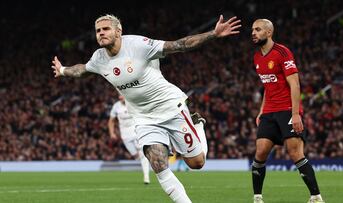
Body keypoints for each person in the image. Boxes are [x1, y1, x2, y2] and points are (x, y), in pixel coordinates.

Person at [52, 14, 241, 203]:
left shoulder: (138, 45)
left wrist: (213, 34)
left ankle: (198, 126)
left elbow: (179, 45)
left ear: (119, 31)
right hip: (144, 118)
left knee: (196, 163)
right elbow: (82, 70)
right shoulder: (99, 58)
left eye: (105, 29)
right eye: (98, 31)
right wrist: (62, 70)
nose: (101, 33)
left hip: (171, 108)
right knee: (158, 164)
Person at [251, 19, 325, 203]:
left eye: (258, 29)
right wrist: (261, 111)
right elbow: (268, 86)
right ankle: (257, 198)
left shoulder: (282, 52)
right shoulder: (257, 57)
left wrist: (295, 113)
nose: (253, 32)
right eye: (252, 30)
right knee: (260, 152)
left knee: (294, 153)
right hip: (269, 110)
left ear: (269, 32)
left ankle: (316, 197)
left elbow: (295, 84)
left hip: (287, 109)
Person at [108, 94, 150, 184]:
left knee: (142, 154)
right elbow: (111, 121)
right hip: (125, 136)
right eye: (119, 96)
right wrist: (112, 133)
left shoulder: (132, 103)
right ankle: (146, 162)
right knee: (136, 156)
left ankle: (146, 177)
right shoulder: (116, 106)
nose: (120, 97)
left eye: (122, 96)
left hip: (135, 132)